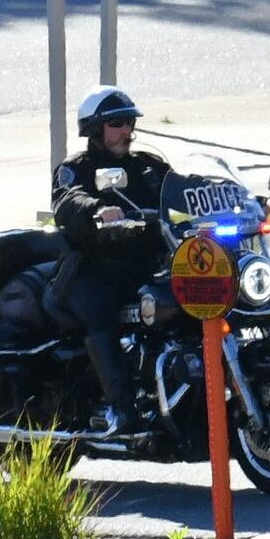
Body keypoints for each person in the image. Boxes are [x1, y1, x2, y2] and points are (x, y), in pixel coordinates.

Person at [51, 87, 181, 434]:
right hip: (92, 269)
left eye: (130, 122)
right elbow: (67, 201)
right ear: (95, 129)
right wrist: (97, 210)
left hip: (143, 265)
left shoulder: (148, 167)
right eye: (117, 123)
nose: (127, 131)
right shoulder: (77, 168)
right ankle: (123, 409)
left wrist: (240, 200)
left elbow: (184, 188)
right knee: (101, 310)